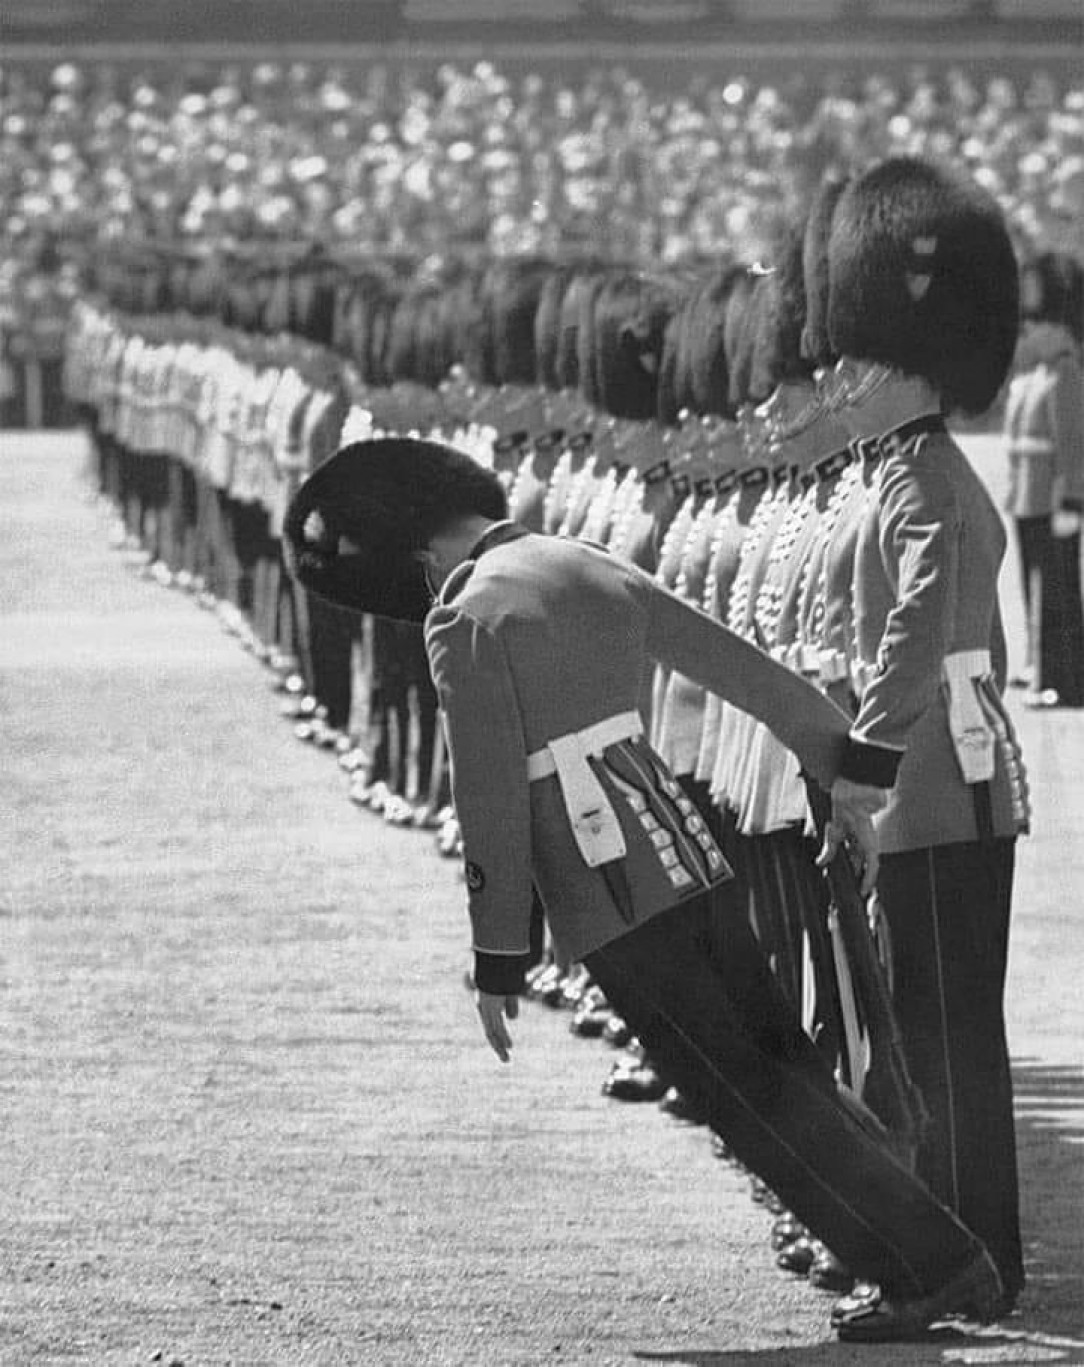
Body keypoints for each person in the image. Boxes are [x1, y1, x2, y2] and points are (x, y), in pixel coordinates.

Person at [284, 433, 1006, 1343]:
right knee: (786, 1066)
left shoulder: (462, 616)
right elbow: (747, 672)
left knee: (743, 1096)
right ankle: (938, 1256)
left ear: (418, 555)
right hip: (689, 851)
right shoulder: (583, 560)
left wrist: (498, 953)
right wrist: (849, 770)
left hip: (606, 892)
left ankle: (926, 1268)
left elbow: (493, 800)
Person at [823, 155, 1031, 1318]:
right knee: (931, 1028)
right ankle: (968, 1253)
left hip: (934, 782)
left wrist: (860, 758)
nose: (838, 379)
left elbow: (911, 637)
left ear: (906, 361)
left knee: (939, 1034)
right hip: (933, 778)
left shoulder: (927, 484)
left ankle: (959, 1258)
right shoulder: (907, 471)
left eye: (856, 357)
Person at [1003, 250, 1084, 708]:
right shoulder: (1034, 375)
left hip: (1053, 502)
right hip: (1028, 498)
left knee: (1058, 595)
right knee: (1034, 590)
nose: (1029, 329)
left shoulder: (1066, 373)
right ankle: (1040, 665)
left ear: (1060, 325)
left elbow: (1071, 444)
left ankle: (1065, 678)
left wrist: (1071, 502)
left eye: (1038, 320)